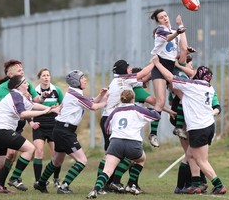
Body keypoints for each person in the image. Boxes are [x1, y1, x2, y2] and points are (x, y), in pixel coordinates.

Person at [0, 75, 57, 193]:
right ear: (18, 86)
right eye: (25, 82)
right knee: (30, 149)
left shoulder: (17, 96)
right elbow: (23, 114)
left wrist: (50, 109)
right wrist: (45, 112)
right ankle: (15, 177)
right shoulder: (15, 95)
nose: (28, 84)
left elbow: (33, 106)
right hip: (2, 130)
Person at [152, 56, 227, 195]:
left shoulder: (192, 86)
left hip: (198, 127)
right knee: (190, 155)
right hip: (209, 126)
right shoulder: (209, 88)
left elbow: (169, 77)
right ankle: (196, 184)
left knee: (201, 160)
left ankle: (219, 185)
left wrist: (157, 63)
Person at [34, 70, 108, 194]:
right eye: (82, 78)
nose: (85, 80)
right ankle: (64, 186)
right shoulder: (76, 94)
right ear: (76, 81)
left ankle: (41, 184)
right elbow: (93, 107)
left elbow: (90, 101)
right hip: (65, 131)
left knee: (57, 161)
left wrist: (100, 96)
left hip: (60, 129)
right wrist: (105, 102)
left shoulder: (74, 92)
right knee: (82, 160)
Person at [86, 90, 161, 199]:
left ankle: (95, 190)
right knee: (140, 159)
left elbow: (107, 128)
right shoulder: (138, 109)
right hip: (133, 143)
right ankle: (131, 184)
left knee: (107, 170)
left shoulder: (115, 111)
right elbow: (156, 116)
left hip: (116, 143)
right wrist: (156, 108)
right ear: (133, 99)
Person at [96, 60, 154, 194]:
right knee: (111, 155)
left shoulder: (121, 80)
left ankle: (110, 184)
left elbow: (144, 77)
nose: (131, 69)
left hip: (110, 117)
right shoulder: (124, 79)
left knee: (114, 155)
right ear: (125, 70)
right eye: (129, 67)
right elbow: (142, 74)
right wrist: (156, 61)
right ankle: (106, 185)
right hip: (111, 118)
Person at [0, 59, 45, 193]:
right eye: (19, 70)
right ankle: (1, 184)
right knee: (10, 153)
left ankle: (3, 184)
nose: (22, 71)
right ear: (11, 75)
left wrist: (43, 96)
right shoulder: (4, 87)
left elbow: (35, 100)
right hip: (6, 124)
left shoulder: (25, 84)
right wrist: (26, 100)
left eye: (22, 69)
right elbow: (17, 107)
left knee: (12, 155)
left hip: (18, 124)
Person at [148, 8, 186, 147]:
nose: (165, 18)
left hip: (171, 66)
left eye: (165, 15)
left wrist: (180, 27)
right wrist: (177, 32)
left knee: (184, 96)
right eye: (161, 17)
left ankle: (178, 127)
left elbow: (179, 48)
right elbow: (168, 37)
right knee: (161, 101)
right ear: (158, 21)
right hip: (159, 66)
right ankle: (153, 134)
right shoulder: (160, 30)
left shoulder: (175, 30)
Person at [32, 68, 64, 187]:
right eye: (43, 75)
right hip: (39, 123)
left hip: (53, 123)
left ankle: (56, 178)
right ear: (39, 78)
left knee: (56, 153)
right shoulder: (34, 91)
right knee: (39, 151)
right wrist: (31, 122)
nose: (46, 77)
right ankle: (38, 181)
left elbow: (63, 105)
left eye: (48, 75)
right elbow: (28, 107)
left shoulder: (57, 90)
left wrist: (58, 108)